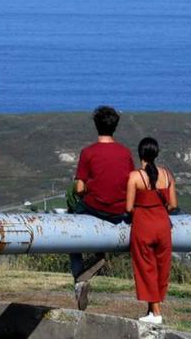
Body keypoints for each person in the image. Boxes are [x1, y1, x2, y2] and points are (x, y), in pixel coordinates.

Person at [68, 105, 134, 310]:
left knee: (71, 223)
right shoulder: (125, 153)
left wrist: (86, 187)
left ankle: (79, 277)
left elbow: (79, 188)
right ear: (115, 126)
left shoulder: (88, 153)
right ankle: (99, 255)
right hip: (120, 210)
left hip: (95, 207)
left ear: (96, 126)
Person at [126, 137, 176, 325]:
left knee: (146, 268)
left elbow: (129, 207)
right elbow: (173, 204)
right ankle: (151, 310)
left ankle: (156, 313)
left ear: (140, 154)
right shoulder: (167, 175)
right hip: (163, 225)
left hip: (143, 226)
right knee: (161, 267)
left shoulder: (135, 177)